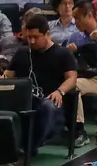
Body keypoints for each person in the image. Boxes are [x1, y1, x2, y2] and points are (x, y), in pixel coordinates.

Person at [5, 14, 78, 149]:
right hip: (25, 99)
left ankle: (29, 150)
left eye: (36, 37)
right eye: (29, 37)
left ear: (47, 34)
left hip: (51, 100)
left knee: (47, 107)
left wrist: (60, 91)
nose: (31, 41)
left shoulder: (63, 53)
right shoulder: (22, 53)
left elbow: (72, 79)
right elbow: (8, 75)